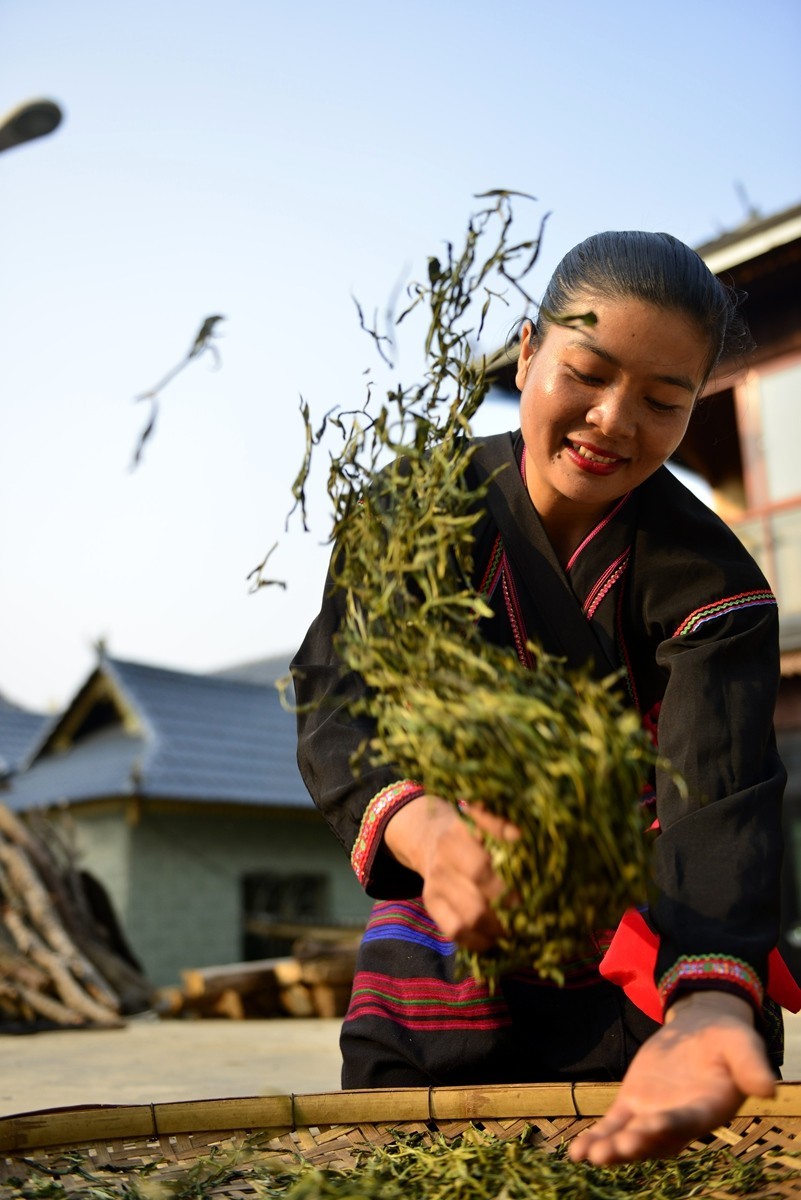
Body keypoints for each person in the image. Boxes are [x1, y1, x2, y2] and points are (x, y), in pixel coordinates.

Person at [291, 230, 792, 1164]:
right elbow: (337, 702)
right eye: (586, 373)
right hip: (453, 902)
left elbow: (717, 799)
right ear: (527, 353)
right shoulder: (412, 511)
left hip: (645, 925)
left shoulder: (712, 586)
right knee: (412, 1147)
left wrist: (712, 1000)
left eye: (661, 401)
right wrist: (433, 832)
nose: (612, 420)